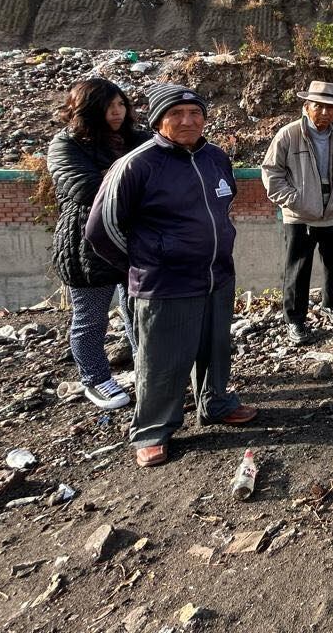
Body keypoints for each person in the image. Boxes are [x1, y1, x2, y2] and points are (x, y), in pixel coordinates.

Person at [86, 83, 257, 468]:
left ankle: (215, 403)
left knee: (215, 349)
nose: (187, 121)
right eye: (176, 114)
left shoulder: (215, 157)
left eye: (195, 113)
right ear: (158, 120)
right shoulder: (136, 164)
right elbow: (102, 228)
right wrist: (145, 262)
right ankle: (152, 430)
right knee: (161, 360)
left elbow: (223, 206)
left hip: (216, 276)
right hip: (164, 283)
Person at [47, 78, 150, 410]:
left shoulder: (139, 138)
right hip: (87, 246)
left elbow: (161, 177)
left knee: (138, 313)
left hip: (133, 242)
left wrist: (117, 174)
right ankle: (94, 379)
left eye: (121, 104)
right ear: (89, 108)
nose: (117, 112)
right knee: (91, 318)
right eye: (109, 106)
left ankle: (146, 370)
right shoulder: (66, 145)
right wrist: (131, 177)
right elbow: (88, 189)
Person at [261, 81, 333, 346]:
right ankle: (295, 320)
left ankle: (332, 306)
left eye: (331, 107)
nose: (326, 112)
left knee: (332, 263)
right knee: (298, 268)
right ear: (307, 106)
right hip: (301, 215)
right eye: (320, 106)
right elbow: (271, 172)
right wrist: (294, 200)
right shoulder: (289, 134)